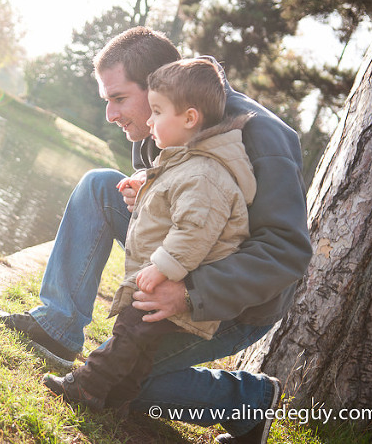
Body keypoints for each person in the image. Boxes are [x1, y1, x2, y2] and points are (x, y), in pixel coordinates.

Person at [0, 27, 312, 444]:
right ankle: (57, 323)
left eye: (119, 99)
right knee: (100, 185)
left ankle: (249, 401)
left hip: (235, 301)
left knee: (118, 382)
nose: (111, 114)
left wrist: (190, 293)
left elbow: (286, 251)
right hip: (179, 257)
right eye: (107, 100)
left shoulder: (263, 135)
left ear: (159, 84)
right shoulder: (159, 122)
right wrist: (149, 188)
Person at [41, 58, 257, 414]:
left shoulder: (206, 173)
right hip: (176, 277)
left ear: (189, 118)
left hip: (178, 283)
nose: (150, 121)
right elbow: (175, 201)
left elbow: (194, 232)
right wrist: (146, 182)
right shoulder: (189, 160)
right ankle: (119, 400)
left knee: (129, 333)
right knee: (141, 349)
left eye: (157, 112)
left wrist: (162, 268)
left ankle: (86, 385)